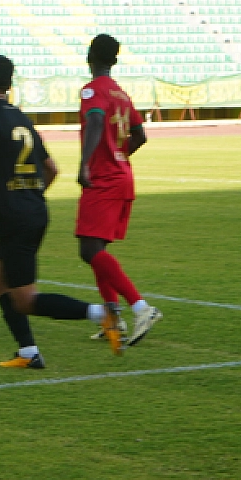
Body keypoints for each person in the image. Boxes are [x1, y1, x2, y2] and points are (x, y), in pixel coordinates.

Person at [0, 55, 107, 369]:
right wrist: (29, 195)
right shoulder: (21, 118)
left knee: (25, 299)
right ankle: (28, 352)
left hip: (14, 216)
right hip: (32, 211)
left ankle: (101, 314)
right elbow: (51, 169)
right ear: (10, 84)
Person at [76, 35, 160, 352]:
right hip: (123, 176)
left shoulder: (93, 90)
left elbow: (95, 120)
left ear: (90, 56)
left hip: (103, 179)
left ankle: (141, 308)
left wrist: (86, 163)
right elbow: (139, 135)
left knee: (88, 249)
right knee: (96, 248)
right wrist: (119, 154)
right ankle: (113, 318)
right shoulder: (120, 93)